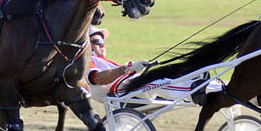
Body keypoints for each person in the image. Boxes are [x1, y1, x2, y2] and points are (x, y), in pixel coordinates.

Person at [86, 26, 220, 103]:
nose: (102, 45)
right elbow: (98, 79)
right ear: (87, 45)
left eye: (103, 42)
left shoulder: (105, 62)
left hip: (130, 85)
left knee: (167, 74)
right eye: (97, 41)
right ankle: (197, 91)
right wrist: (128, 67)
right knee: (158, 82)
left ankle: (212, 85)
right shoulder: (87, 62)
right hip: (121, 90)